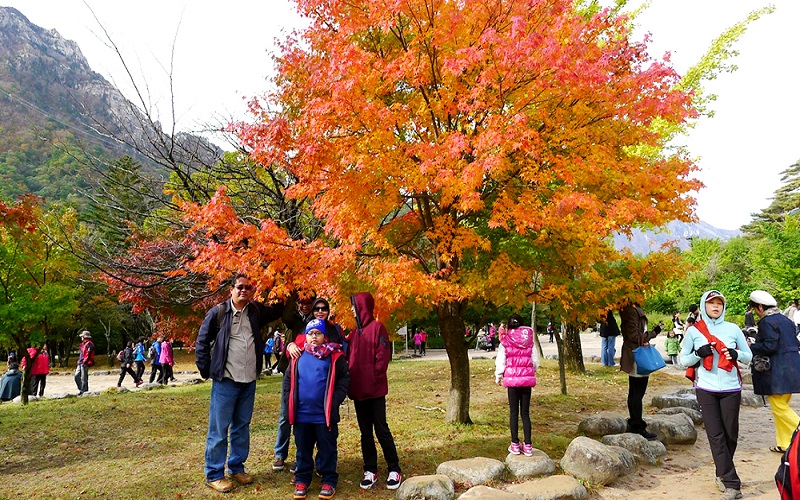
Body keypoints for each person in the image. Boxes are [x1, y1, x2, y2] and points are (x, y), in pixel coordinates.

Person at [195, 273, 286, 493]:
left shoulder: (254, 311)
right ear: (231, 289)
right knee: (219, 428)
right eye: (239, 287)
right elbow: (202, 342)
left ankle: (237, 467)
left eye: (248, 287)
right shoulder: (218, 313)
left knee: (242, 426)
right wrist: (208, 370)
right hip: (226, 380)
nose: (244, 290)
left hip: (248, 381)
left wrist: (283, 280)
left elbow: (277, 309)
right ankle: (214, 473)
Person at [680, 290, 752, 500]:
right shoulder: (694, 331)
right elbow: (684, 360)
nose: (716, 306)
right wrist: (697, 354)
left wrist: (737, 354)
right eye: (711, 303)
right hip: (706, 388)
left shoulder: (733, 329)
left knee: (730, 435)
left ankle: (721, 472)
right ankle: (732, 485)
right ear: (704, 305)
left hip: (731, 388)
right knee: (715, 435)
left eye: (719, 303)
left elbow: (749, 356)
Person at [285, 318, 350, 500]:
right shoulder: (297, 357)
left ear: (324, 336)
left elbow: (344, 379)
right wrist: (288, 404)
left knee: (327, 449)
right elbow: (288, 384)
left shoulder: (334, 356)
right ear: (306, 336)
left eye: (318, 333)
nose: (314, 337)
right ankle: (302, 479)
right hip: (302, 415)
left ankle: (329, 479)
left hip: (324, 416)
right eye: (311, 333)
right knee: (302, 450)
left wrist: (335, 400)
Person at [347, 292, 402, 490]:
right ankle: (370, 469)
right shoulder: (353, 334)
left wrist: (373, 378)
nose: (351, 309)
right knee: (365, 433)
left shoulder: (377, 328)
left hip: (375, 391)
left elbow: (383, 357)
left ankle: (394, 468)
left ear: (362, 306)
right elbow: (348, 359)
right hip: (358, 392)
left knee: (381, 429)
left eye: (354, 306)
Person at [747, 290, 800, 455]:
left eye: (755, 308)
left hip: (777, 371)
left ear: (761, 307)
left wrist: (752, 346)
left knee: (779, 408)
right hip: (793, 368)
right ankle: (784, 444)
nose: (755, 312)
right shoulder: (787, 320)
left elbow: (770, 346)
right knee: (781, 407)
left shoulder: (766, 322)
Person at [272, 293, 315, 474]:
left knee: (304, 416)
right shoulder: (293, 320)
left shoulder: (317, 320)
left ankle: (303, 456)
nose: (305, 305)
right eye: (301, 302)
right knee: (285, 415)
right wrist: (291, 289)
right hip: (291, 371)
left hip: (310, 373)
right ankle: (280, 453)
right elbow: (287, 315)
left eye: (308, 302)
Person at [494, 313, 539, 457]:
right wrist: (531, 371)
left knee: (514, 413)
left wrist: (498, 375)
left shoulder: (505, 341)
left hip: (512, 383)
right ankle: (528, 445)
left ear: (509, 325)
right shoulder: (529, 340)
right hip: (526, 382)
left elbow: (501, 360)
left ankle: (514, 444)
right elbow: (535, 361)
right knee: (525, 413)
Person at [619, 301, 658, 440]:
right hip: (636, 355)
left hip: (636, 353)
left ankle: (635, 423)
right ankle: (637, 426)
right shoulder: (630, 310)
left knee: (635, 393)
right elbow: (634, 336)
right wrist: (654, 333)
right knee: (637, 393)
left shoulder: (632, 308)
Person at [74, 331, 95, 395]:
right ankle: (82, 389)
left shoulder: (89, 344)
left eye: (82, 336)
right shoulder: (83, 344)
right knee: (76, 376)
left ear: (84, 337)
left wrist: (85, 361)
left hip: (84, 363)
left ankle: (84, 391)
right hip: (80, 362)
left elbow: (89, 354)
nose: (81, 337)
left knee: (84, 378)